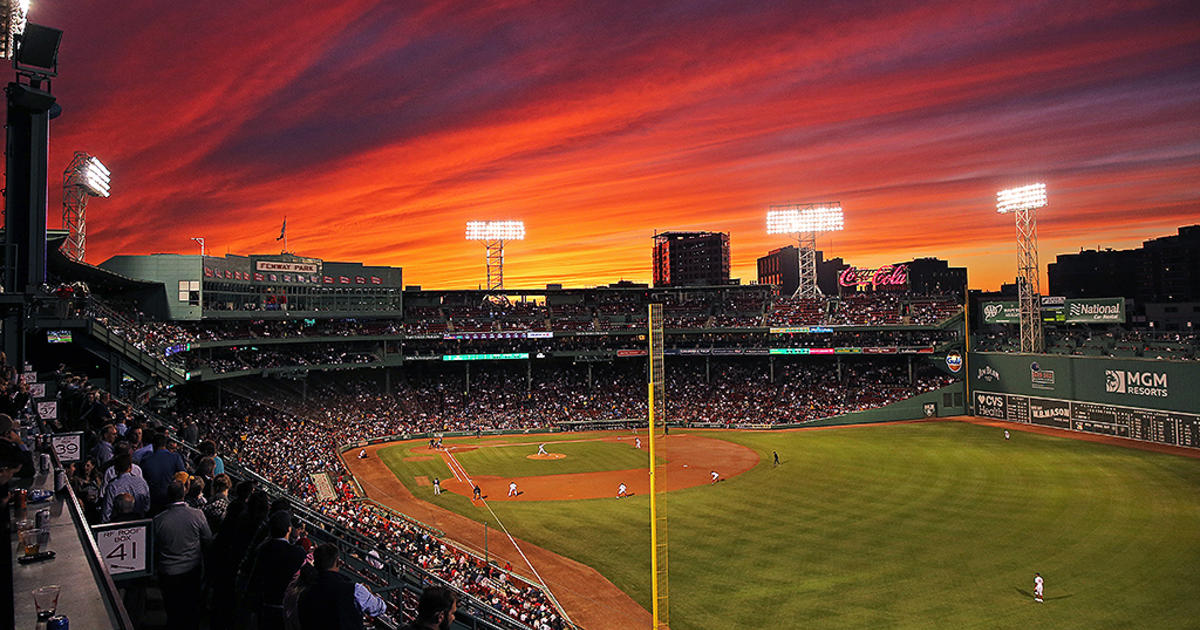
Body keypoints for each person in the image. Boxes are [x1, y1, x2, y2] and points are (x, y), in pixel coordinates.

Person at [153, 480, 213, 630]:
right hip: (191, 571)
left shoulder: (158, 520)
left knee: (172, 609)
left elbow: (154, 547)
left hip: (168, 572)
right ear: (184, 492)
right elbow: (208, 540)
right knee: (191, 608)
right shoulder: (197, 515)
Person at [297, 543, 388, 630]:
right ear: (337, 562)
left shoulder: (303, 591)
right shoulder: (355, 590)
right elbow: (380, 608)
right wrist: (370, 594)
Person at [247, 511, 308, 630]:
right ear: (289, 529)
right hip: (283, 608)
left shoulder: (262, 548)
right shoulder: (298, 553)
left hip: (261, 604)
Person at [102, 454, 150, 522]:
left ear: (115, 468)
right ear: (130, 467)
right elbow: (147, 506)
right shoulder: (142, 482)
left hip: (119, 526)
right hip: (139, 523)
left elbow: (107, 513)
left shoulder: (113, 486)